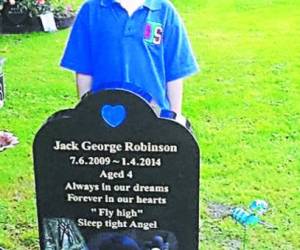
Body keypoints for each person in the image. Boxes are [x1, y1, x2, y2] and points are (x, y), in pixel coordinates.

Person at [61, 0, 198, 114]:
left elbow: (175, 70)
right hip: (102, 112)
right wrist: (85, 111)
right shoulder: (91, 10)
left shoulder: (164, 11)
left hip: (154, 113)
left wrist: (175, 115)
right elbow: (84, 69)